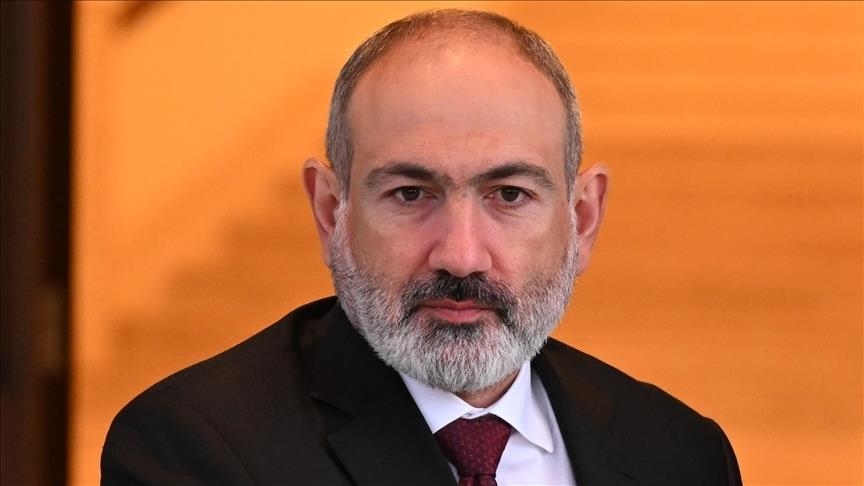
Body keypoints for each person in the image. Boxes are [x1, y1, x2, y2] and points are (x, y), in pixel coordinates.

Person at [102, 9, 742, 486]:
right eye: (410, 194)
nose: (460, 256)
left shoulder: (681, 455)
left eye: (509, 194)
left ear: (582, 219)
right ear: (330, 212)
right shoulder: (195, 451)